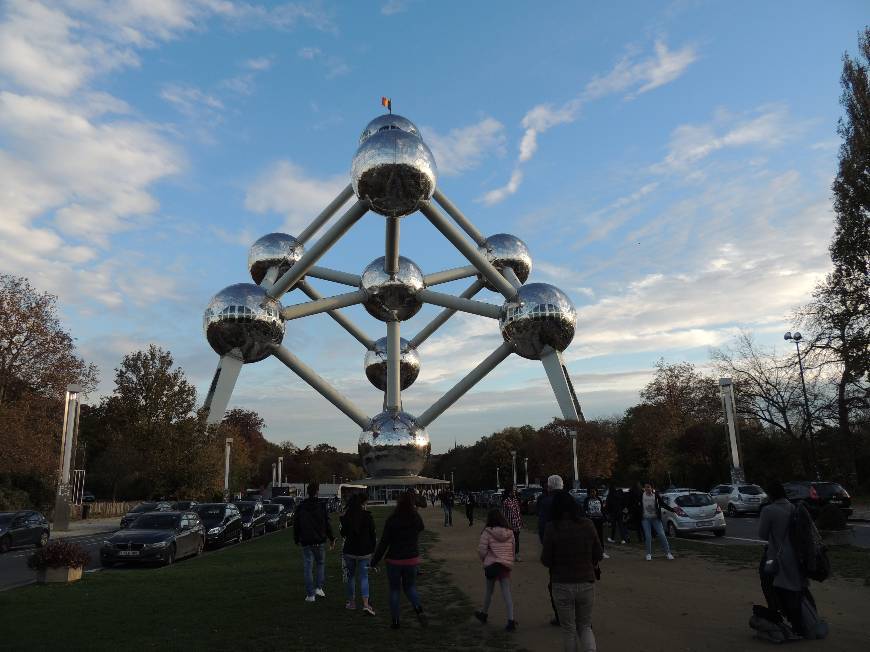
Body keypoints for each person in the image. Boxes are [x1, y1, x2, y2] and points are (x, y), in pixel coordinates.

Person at [541, 489, 603, 651]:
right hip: (585, 582)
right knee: (585, 626)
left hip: (561, 583)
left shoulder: (552, 528)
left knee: (568, 629)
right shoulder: (587, 525)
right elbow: (598, 553)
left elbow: (546, 560)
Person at [758, 481, 813, 635]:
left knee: (768, 581)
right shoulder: (793, 507)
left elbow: (762, 534)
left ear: (770, 495)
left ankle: (777, 617)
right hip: (795, 555)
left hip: (774, 556)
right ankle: (799, 623)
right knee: (793, 588)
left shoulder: (769, 510)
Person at [371, 491, 427, 630]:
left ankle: (395, 621)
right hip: (411, 559)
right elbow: (421, 527)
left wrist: (374, 561)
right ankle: (418, 608)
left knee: (395, 590)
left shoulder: (392, 519)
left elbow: (384, 542)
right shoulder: (415, 517)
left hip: (394, 560)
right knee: (410, 587)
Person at [475, 509, 518, 631]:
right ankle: (511, 620)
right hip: (504, 565)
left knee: (489, 591)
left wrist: (485, 560)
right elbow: (513, 549)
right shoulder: (510, 532)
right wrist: (510, 560)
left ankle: (484, 613)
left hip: (492, 565)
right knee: (506, 592)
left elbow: (482, 550)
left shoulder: (487, 532)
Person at [293, 481, 335, 602]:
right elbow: (327, 524)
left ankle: (310, 594)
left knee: (308, 567)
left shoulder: (301, 506)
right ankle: (318, 588)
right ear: (317, 492)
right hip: (319, 540)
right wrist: (331, 538)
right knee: (320, 564)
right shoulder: (322, 506)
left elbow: (297, 524)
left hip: (306, 541)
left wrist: (296, 538)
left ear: (307, 492)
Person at [340, 493, 377, 615]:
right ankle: (366, 604)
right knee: (364, 577)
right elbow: (373, 534)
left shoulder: (347, 516)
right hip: (364, 551)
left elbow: (343, 533)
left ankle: (351, 602)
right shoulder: (367, 516)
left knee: (351, 577)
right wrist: (372, 548)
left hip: (350, 550)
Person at [537, 474, 564, 627]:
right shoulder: (571, 501)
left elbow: (542, 527)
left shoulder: (547, 502)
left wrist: (546, 546)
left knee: (555, 584)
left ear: (549, 487)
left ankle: (560, 615)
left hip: (556, 548)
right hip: (575, 547)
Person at [640, 482, 674, 561]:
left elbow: (662, 504)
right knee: (648, 536)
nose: (647, 489)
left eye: (648, 487)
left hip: (655, 519)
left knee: (662, 534)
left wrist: (672, 510)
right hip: (645, 519)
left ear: (651, 488)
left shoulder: (655, 496)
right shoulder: (641, 495)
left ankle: (668, 553)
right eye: (645, 487)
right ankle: (648, 554)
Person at [583, 488, 609, 559]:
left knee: (600, 536)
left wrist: (604, 519)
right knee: (590, 536)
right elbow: (584, 509)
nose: (593, 493)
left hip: (599, 520)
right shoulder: (587, 500)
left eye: (594, 492)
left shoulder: (599, 499)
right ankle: (590, 552)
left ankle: (602, 552)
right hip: (591, 520)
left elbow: (602, 510)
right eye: (591, 492)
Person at [502, 484, 523, 561]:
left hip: (517, 524)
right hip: (509, 525)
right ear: (509, 492)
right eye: (513, 491)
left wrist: (520, 521)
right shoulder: (506, 502)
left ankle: (516, 555)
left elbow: (518, 512)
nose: (515, 492)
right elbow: (504, 514)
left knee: (516, 540)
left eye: (515, 491)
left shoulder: (515, 500)